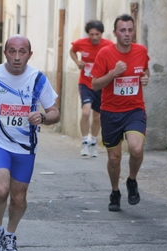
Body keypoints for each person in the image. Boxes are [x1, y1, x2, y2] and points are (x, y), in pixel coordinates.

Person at [0, 34, 60, 251]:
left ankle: (10, 234)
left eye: (22, 52)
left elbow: (55, 112)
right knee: (1, 189)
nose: (17, 57)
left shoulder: (38, 79)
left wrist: (43, 117)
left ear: (30, 54)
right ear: (5, 52)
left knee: (18, 197)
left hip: (26, 146)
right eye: (12, 51)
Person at [90, 14, 150, 212]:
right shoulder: (105, 54)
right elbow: (95, 84)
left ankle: (132, 181)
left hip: (134, 109)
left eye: (130, 30)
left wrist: (146, 78)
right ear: (115, 33)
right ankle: (115, 191)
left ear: (134, 31)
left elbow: (145, 70)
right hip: (110, 112)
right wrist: (113, 73)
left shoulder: (141, 51)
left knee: (136, 149)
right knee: (114, 158)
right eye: (122, 30)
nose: (127, 34)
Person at [70, 20, 113, 157]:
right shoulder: (81, 43)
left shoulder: (108, 45)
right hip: (86, 83)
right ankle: (84, 142)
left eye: (97, 34)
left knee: (98, 116)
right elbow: (72, 50)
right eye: (91, 34)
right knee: (86, 112)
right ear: (88, 34)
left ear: (102, 34)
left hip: (100, 84)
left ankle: (93, 143)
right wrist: (77, 62)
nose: (94, 37)